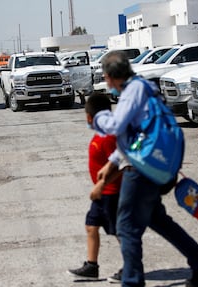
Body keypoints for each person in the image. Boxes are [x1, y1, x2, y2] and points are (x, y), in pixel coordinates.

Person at [92, 50, 198, 287]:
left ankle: (132, 281)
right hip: (152, 163)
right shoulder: (142, 87)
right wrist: (113, 161)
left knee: (126, 227)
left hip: (141, 169)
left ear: (111, 76)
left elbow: (117, 126)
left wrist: (98, 117)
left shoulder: (132, 91)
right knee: (158, 220)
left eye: (106, 76)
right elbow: (139, 134)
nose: (106, 82)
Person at [67, 92, 123, 283]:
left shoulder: (109, 137)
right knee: (91, 226)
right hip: (101, 195)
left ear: (91, 117)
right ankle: (92, 266)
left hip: (111, 193)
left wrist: (102, 184)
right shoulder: (101, 134)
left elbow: (120, 165)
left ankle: (131, 266)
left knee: (119, 232)